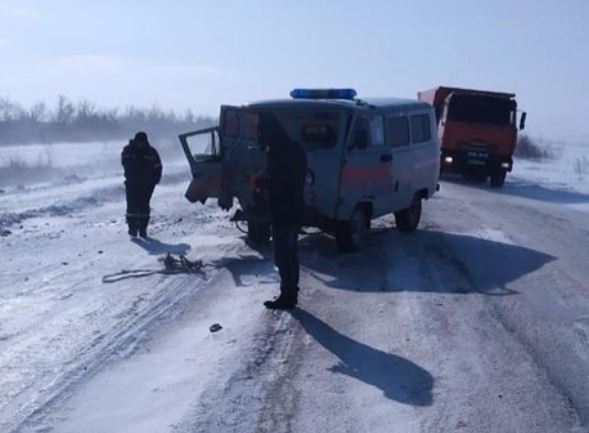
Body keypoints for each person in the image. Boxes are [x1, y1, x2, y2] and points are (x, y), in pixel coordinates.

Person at [252, 113, 307, 310]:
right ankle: (291, 293)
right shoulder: (295, 149)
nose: (259, 136)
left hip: (283, 210)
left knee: (283, 256)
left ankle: (288, 296)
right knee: (291, 254)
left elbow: (280, 182)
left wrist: (260, 181)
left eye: (260, 132)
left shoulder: (279, 153)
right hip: (296, 208)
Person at [121, 131, 162, 238]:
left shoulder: (152, 152)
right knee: (132, 207)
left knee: (144, 207)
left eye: (143, 142)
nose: (141, 144)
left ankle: (143, 229)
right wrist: (134, 170)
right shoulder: (128, 150)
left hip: (147, 184)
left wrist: (156, 179)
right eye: (139, 142)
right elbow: (125, 163)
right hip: (132, 183)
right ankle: (132, 228)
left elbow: (158, 166)